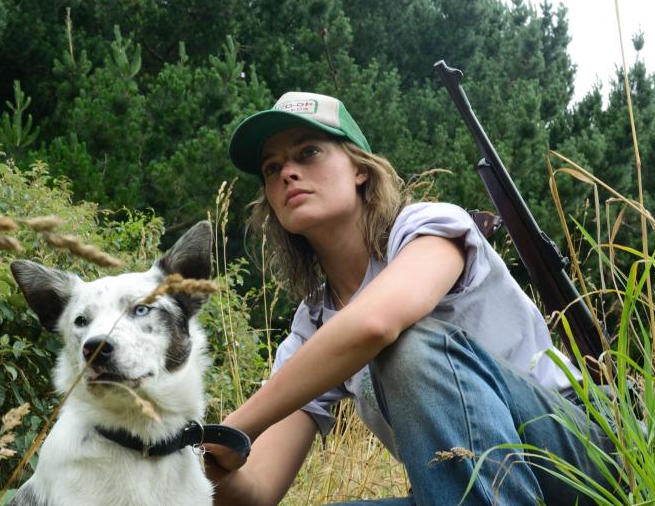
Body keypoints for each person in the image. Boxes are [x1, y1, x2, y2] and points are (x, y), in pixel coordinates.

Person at [206, 91, 615, 505]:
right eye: (271, 168)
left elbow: (375, 324)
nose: (287, 174)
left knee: (407, 348)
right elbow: (254, 495)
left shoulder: (429, 228)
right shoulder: (312, 325)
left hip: (579, 457)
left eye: (308, 152)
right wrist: (192, 456)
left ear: (359, 170)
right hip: (458, 489)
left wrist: (234, 427)